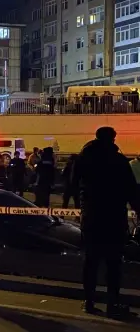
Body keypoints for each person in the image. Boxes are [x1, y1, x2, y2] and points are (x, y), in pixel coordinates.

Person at [72, 127, 140, 319]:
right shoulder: (118, 160)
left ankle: (89, 301)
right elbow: (130, 189)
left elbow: (72, 183)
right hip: (113, 217)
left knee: (91, 261)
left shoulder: (84, 159)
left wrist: (81, 206)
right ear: (112, 138)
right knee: (113, 263)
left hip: (92, 217)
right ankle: (112, 303)